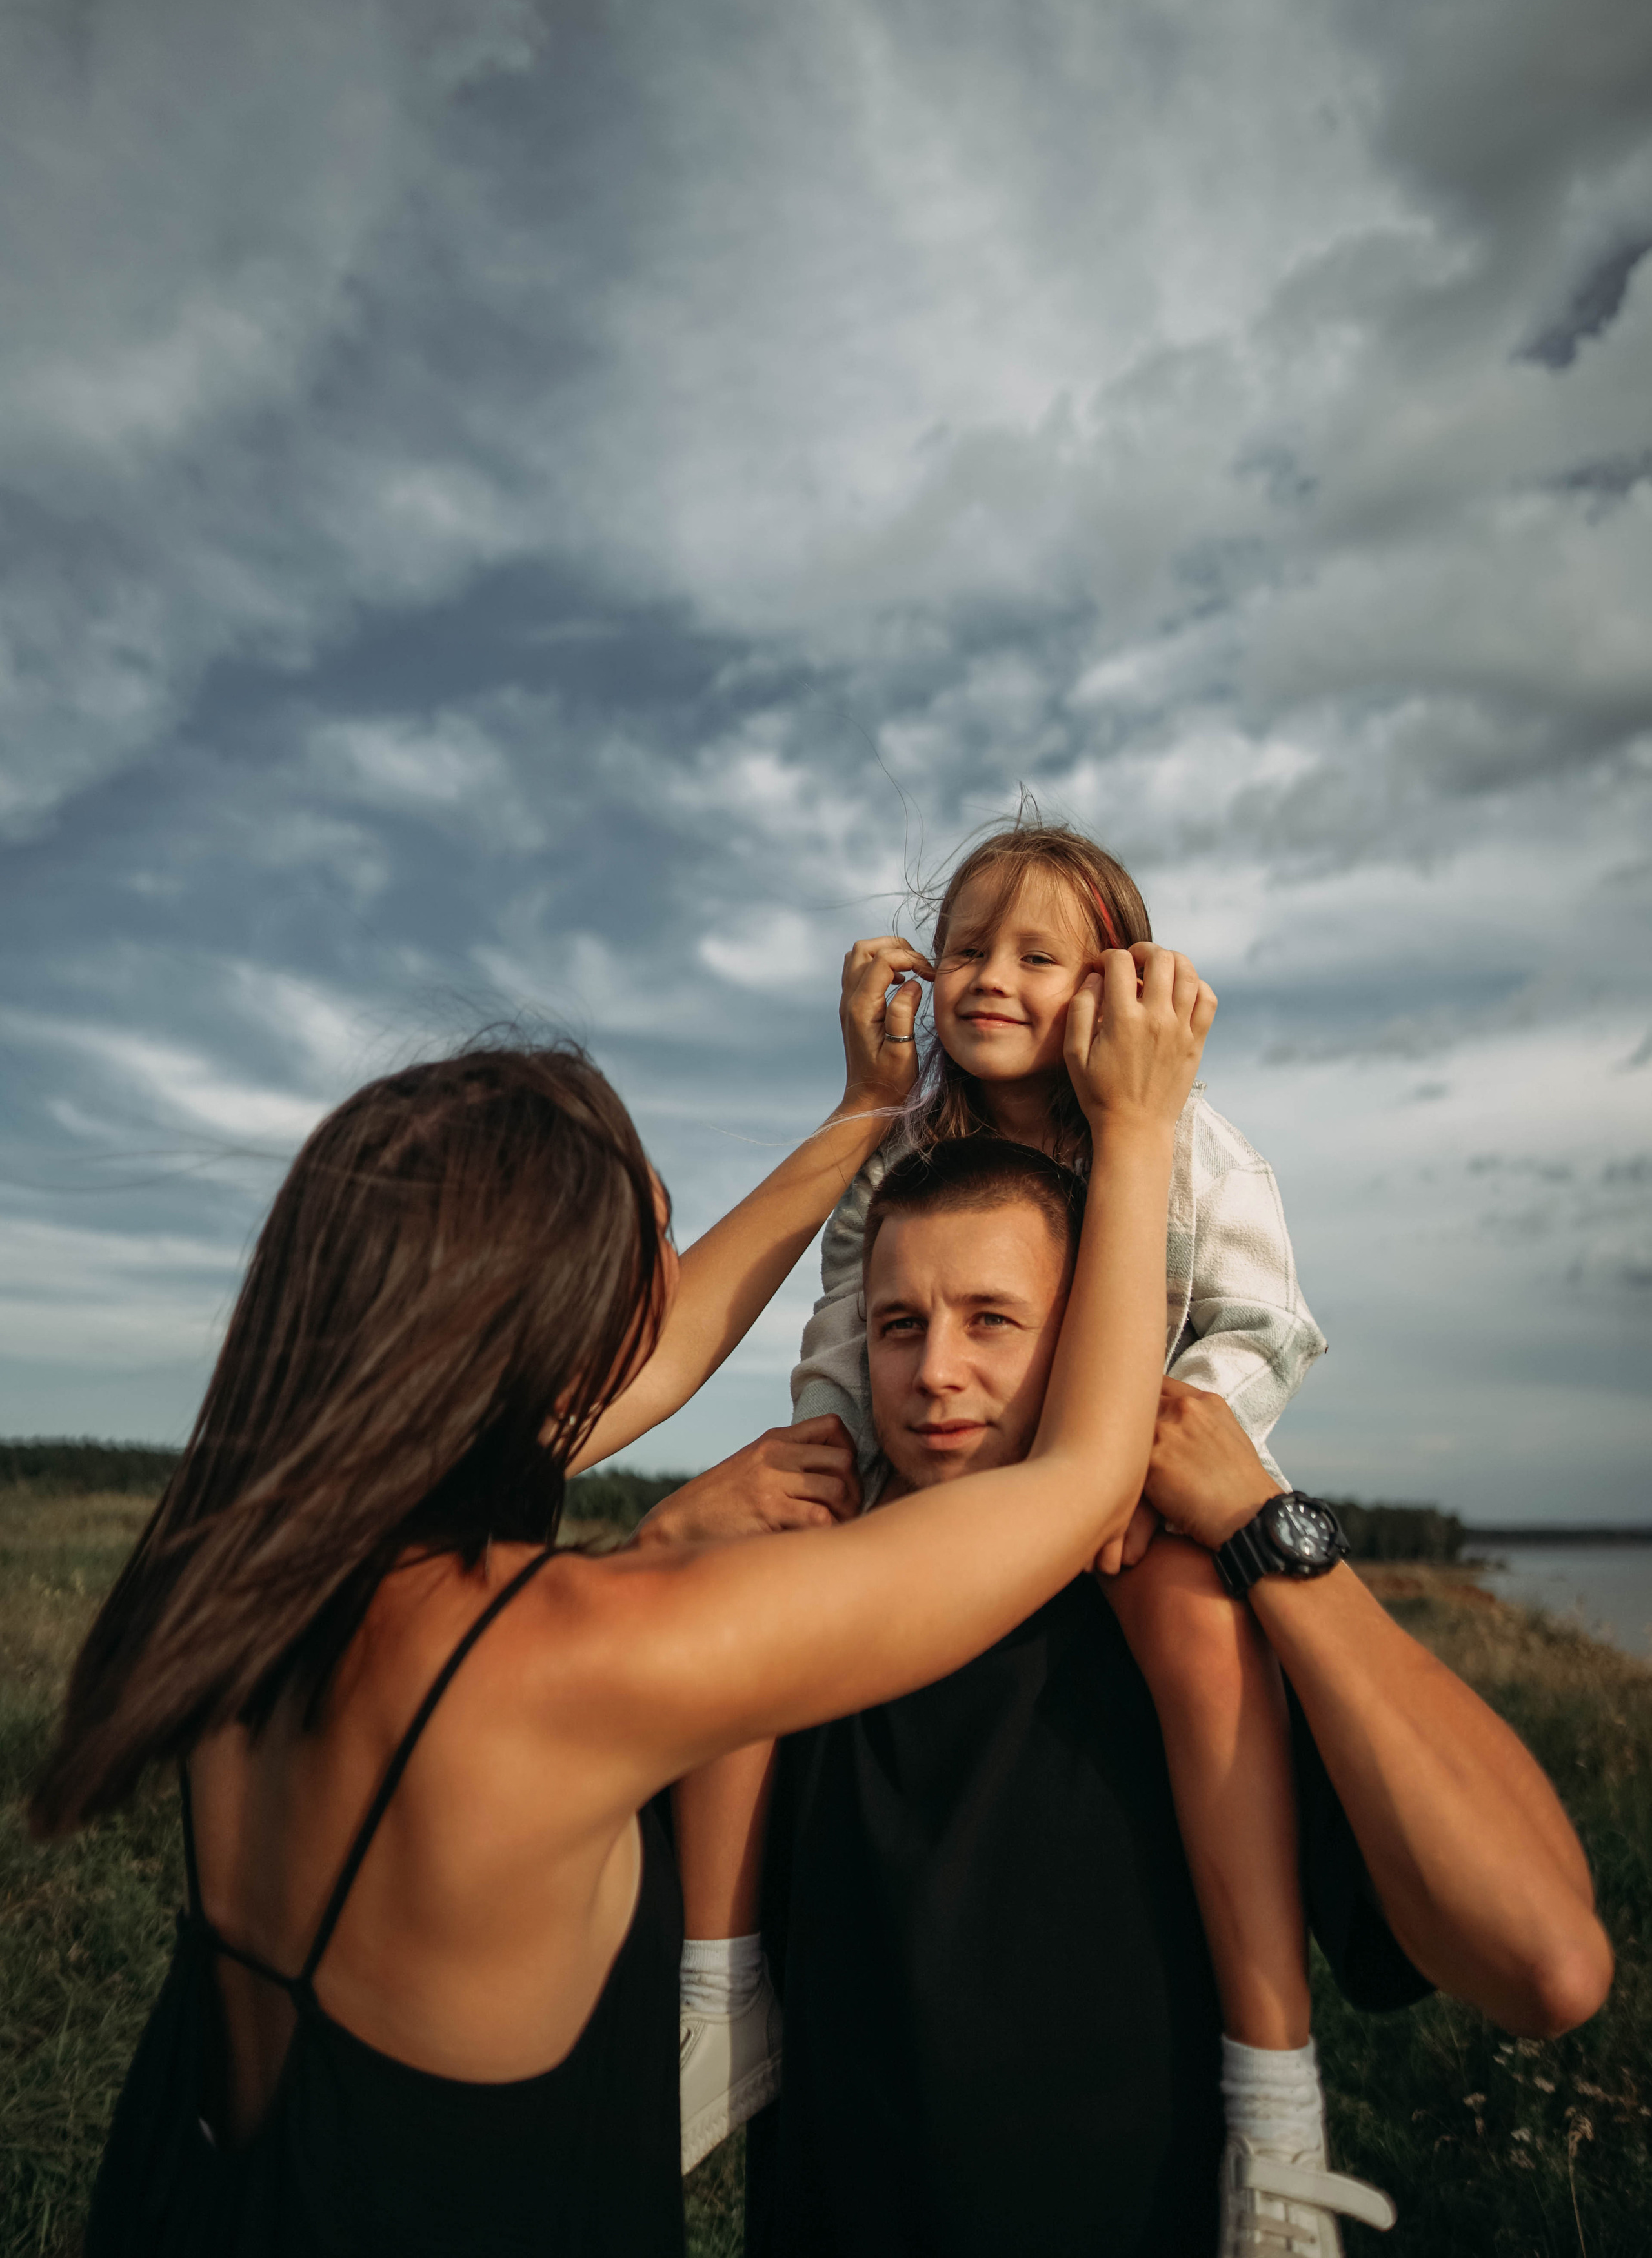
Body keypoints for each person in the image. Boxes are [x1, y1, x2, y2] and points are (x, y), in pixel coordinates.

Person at [30, 931, 1212, 2255]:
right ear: (544, 1319)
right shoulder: (575, 1659)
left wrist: (864, 1118)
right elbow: (1078, 1477)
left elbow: (649, 1357)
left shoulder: (242, 1551)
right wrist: (1139, 1124)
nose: (673, 1279)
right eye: (654, 1239)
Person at [647, 1139, 1613, 2258]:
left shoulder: (1201, 1637)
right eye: (899, 1326)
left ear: (1089, 1343)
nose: (935, 1372)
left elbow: (1549, 1965)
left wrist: (1270, 1531)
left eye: (993, 1321)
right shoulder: (793, 1628)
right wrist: (661, 1547)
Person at [665, 818, 1335, 2185]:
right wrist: (832, 1449)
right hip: (944, 1486)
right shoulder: (902, 1145)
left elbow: (1258, 1328)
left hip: (1135, 1486)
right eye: (967, 946)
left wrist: (1151, 1457)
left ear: (1117, 981)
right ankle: (719, 1986)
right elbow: (845, 1323)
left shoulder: (1186, 1140)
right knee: (762, 1591)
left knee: (1196, 1632)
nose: (991, 977)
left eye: (1040, 955)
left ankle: (1275, 2100)